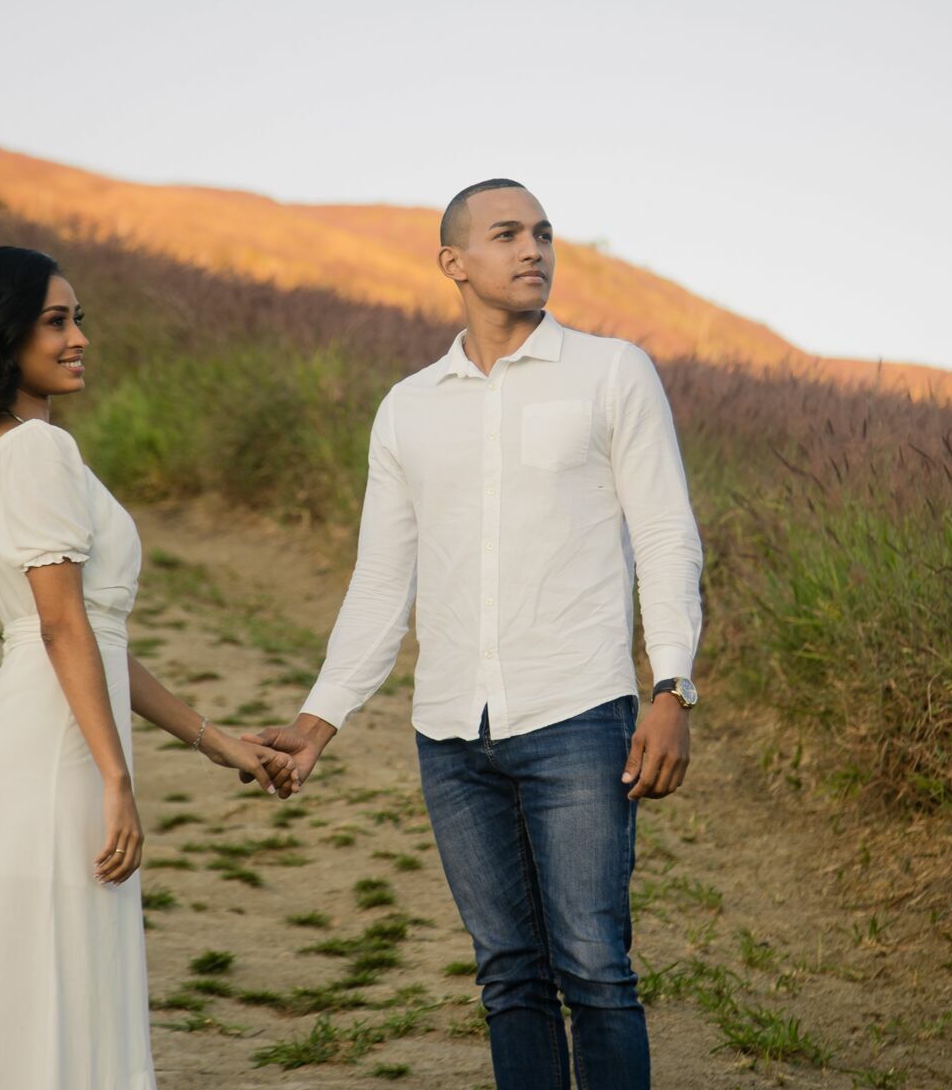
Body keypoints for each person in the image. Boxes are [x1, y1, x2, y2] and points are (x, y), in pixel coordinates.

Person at [246, 180, 705, 1089]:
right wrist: (317, 721)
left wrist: (672, 686)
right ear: (453, 261)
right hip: (452, 734)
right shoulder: (408, 407)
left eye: (543, 233)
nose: (533, 249)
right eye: (507, 234)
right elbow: (383, 580)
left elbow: (665, 536)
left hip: (578, 715)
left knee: (595, 968)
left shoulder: (612, 372)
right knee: (508, 977)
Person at [0, 245, 293, 1089]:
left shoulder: (10, 449)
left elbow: (91, 637)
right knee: (57, 990)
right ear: (2, 335)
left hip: (44, 739)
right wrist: (117, 779)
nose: (79, 338)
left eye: (78, 319)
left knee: (34, 995)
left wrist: (215, 740)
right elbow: (60, 628)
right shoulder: (37, 452)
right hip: (54, 757)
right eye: (56, 322)